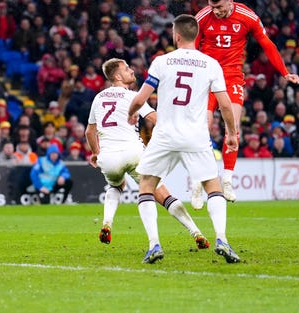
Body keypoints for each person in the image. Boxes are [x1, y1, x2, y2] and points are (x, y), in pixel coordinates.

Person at [127, 14, 240, 264]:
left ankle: (154, 244)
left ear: (176, 35)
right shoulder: (211, 64)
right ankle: (222, 238)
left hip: (165, 136)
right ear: (196, 35)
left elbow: (139, 99)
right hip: (196, 137)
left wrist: (131, 114)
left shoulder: (161, 62)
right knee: (213, 187)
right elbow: (224, 104)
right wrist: (232, 134)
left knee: (146, 186)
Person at [191, 0, 299, 208]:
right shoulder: (202, 17)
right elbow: (189, 47)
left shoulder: (247, 16)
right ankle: (197, 181)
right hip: (205, 77)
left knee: (233, 127)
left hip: (231, 77)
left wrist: (285, 71)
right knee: (202, 128)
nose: (216, 11)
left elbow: (267, 45)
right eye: (212, 7)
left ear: (230, 0)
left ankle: (227, 179)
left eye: (219, 7)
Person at [86, 58, 210, 249]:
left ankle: (107, 222)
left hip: (108, 157)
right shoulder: (132, 97)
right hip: (133, 152)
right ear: (117, 76)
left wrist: (95, 153)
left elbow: (89, 132)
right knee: (162, 193)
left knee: (116, 185)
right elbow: (154, 118)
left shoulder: (99, 98)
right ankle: (196, 232)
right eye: (127, 69)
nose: (132, 71)